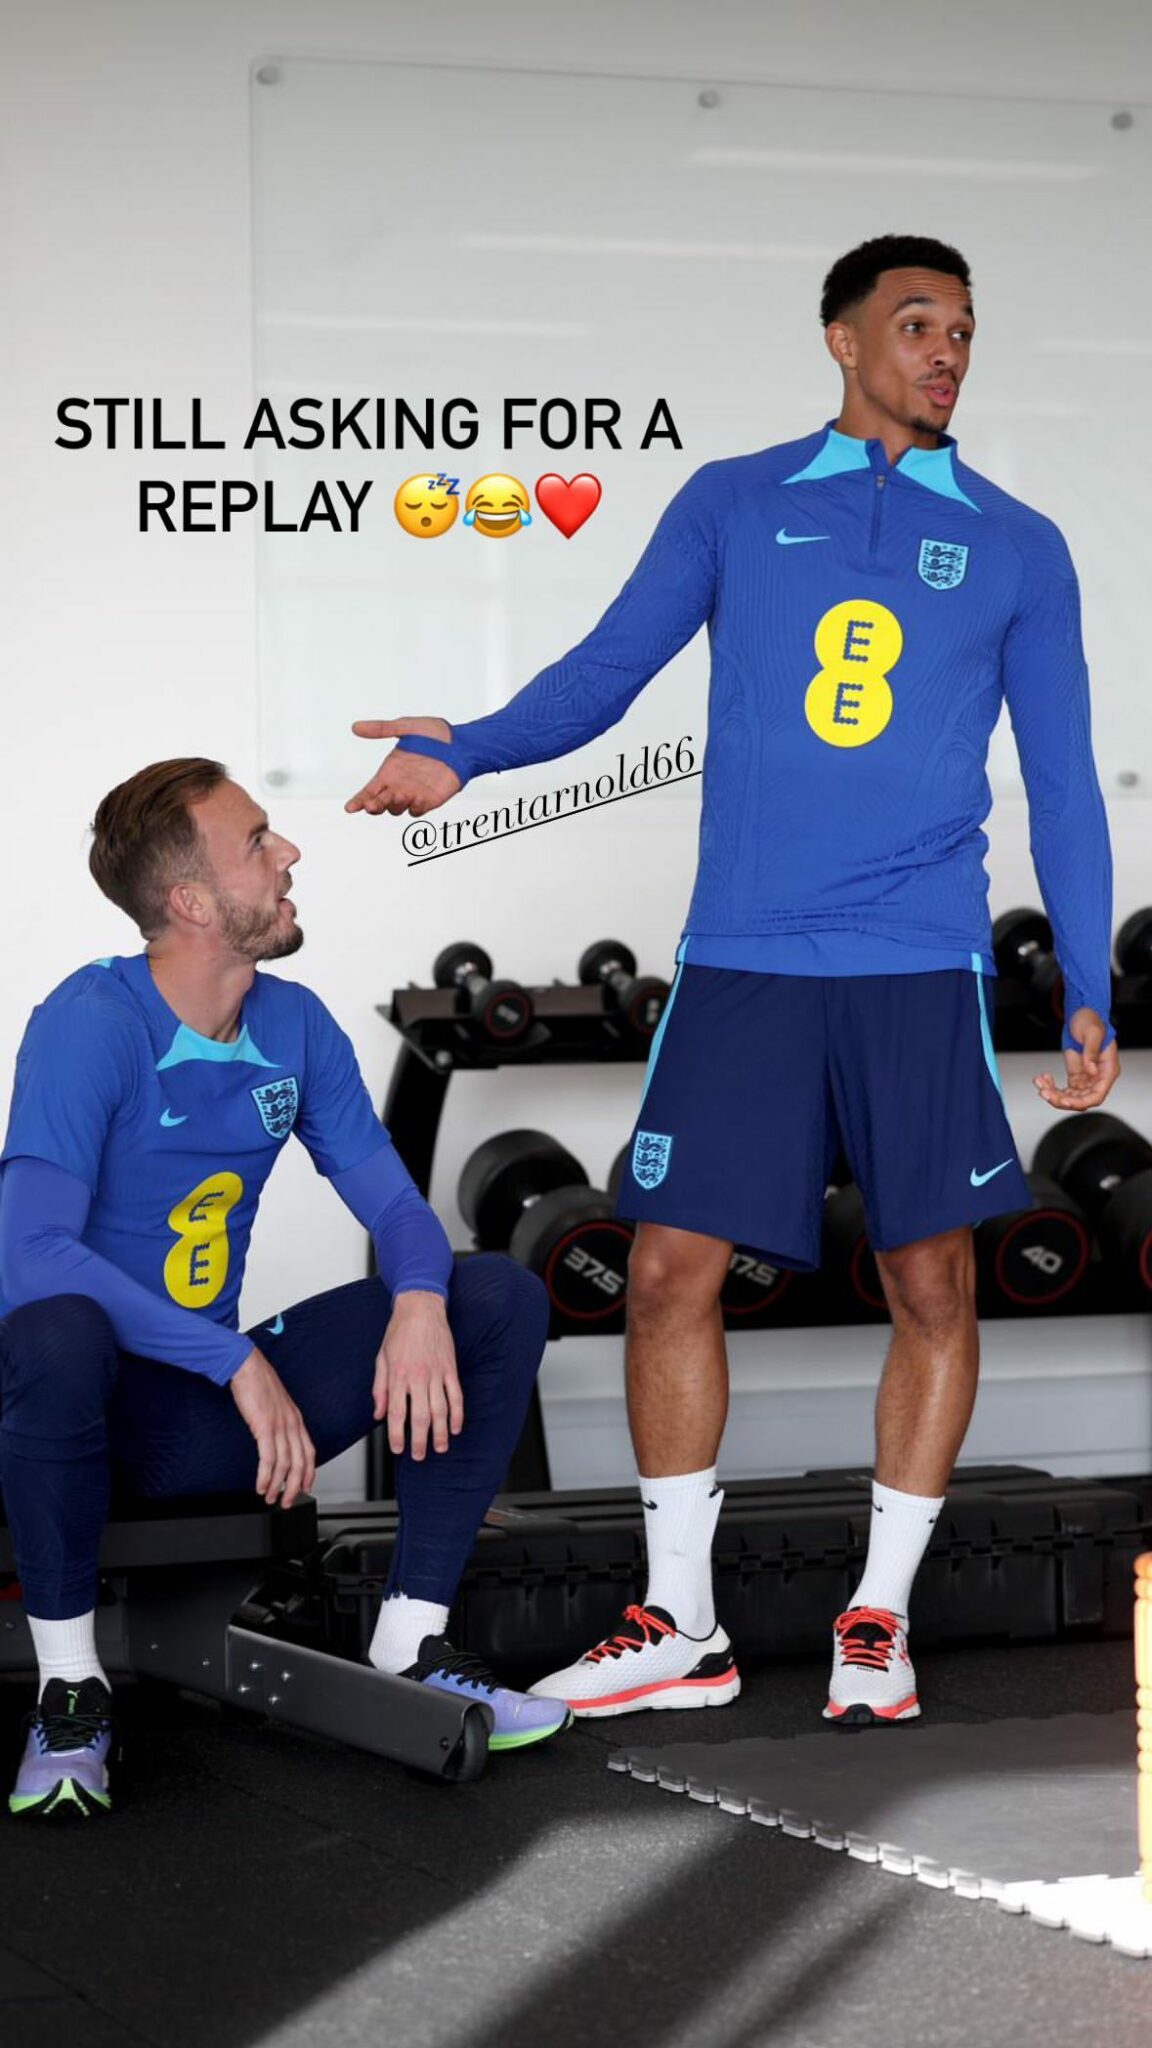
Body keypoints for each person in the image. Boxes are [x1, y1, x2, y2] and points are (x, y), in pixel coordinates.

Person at [343, 232, 1119, 1728]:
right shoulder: (736, 502)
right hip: (749, 954)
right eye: (916, 323)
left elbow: (1067, 780)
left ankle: (878, 1617)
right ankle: (681, 1621)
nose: (946, 351)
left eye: (964, 329)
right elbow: (604, 672)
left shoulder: (1021, 544)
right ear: (842, 339)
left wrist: (1083, 974)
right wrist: (469, 747)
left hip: (915, 958)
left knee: (931, 1278)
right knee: (662, 1273)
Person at [0, 759, 569, 1819]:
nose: (289, 853)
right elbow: (27, 1254)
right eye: (259, 841)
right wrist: (236, 1359)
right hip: (66, 1413)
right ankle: (70, 1689)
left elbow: (398, 1208)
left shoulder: (294, 1025)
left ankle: (411, 1637)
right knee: (59, 1329)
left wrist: (418, 1300)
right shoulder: (90, 1022)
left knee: (491, 1295)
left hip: (197, 1426)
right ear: (190, 901)